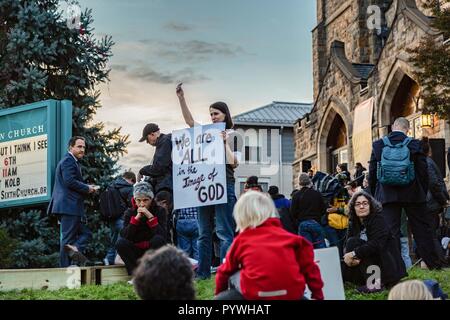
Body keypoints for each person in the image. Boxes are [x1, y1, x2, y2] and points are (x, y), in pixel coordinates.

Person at [177, 84, 238, 280]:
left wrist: (224, 143)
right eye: (211, 114)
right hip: (204, 187)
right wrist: (181, 98)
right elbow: (189, 122)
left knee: (223, 232)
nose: (213, 117)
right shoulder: (205, 134)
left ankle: (226, 273)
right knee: (203, 233)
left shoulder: (232, 135)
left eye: (216, 114)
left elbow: (233, 163)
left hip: (224, 186)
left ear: (225, 116)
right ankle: (202, 274)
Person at [214, 191, 324, 300]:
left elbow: (223, 273)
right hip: (291, 295)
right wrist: (317, 295)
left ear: (240, 216)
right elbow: (311, 270)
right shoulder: (293, 240)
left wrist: (219, 295)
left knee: (235, 275)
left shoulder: (240, 241)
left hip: (255, 295)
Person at [368, 117, 442, 269]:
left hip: (387, 195)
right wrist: (421, 190)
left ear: (393, 127)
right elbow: (423, 171)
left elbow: (373, 173)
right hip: (413, 194)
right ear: (407, 129)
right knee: (422, 230)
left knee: (391, 232)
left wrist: (374, 194)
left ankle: (394, 267)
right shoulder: (415, 144)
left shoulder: (378, 145)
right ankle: (433, 264)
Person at [342, 191, 407, 293]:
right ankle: (347, 281)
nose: (361, 207)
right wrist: (348, 256)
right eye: (358, 204)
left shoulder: (378, 219)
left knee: (356, 244)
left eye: (365, 203)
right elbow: (347, 244)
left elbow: (377, 244)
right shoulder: (353, 222)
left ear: (371, 206)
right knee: (351, 243)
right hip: (367, 266)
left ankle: (374, 284)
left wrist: (354, 253)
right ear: (353, 208)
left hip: (385, 264)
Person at [47, 136, 97, 267]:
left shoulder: (72, 161)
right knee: (67, 240)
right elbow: (69, 182)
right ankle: (64, 269)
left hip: (70, 206)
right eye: (79, 146)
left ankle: (74, 254)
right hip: (68, 206)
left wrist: (87, 188)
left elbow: (70, 182)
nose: (82, 150)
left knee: (86, 233)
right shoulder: (68, 161)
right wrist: (87, 188)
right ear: (71, 147)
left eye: (84, 147)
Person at [116, 182, 167, 276]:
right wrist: (136, 219)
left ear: (151, 199)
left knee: (158, 240)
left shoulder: (160, 211)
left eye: (145, 200)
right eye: (138, 200)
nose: (142, 204)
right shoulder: (130, 212)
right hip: (136, 250)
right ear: (134, 200)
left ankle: (153, 273)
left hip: (152, 249)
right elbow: (125, 236)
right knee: (120, 243)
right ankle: (135, 275)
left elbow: (163, 235)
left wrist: (150, 217)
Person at [421, 137, 449, 267]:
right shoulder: (429, 162)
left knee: (431, 235)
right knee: (432, 234)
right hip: (432, 203)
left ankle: (440, 262)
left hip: (430, 204)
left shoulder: (426, 162)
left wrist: (443, 200)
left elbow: (434, 183)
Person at [104, 171, 136, 266]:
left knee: (113, 241)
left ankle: (108, 259)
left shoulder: (111, 186)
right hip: (122, 218)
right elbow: (132, 205)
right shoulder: (130, 188)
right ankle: (119, 260)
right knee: (122, 240)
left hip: (112, 218)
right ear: (131, 180)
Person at [290, 173, 327, 249]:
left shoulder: (296, 195)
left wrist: (298, 221)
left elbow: (292, 212)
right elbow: (323, 209)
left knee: (306, 249)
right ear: (309, 181)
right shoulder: (317, 194)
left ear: (299, 182)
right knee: (321, 248)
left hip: (303, 223)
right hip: (316, 222)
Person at [138, 123, 173, 195]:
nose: (147, 143)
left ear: (152, 134)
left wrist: (142, 170)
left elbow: (159, 167)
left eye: (147, 140)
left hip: (166, 187)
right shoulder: (164, 141)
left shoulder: (164, 141)